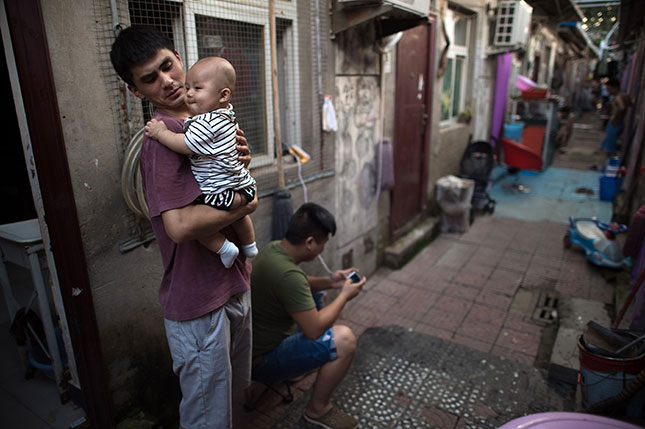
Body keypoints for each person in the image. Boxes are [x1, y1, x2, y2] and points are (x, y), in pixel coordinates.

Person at [110, 25, 256, 429]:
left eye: (167, 66)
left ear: (177, 55)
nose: (169, 81)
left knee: (232, 401)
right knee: (208, 417)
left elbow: (232, 181)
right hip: (198, 303)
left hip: (233, 281)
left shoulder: (210, 119)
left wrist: (240, 169)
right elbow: (178, 226)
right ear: (137, 92)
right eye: (150, 79)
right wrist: (250, 200)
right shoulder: (162, 141)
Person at [250, 203, 366, 429]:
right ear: (310, 243)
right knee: (345, 340)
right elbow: (314, 330)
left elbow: (299, 284)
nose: (323, 248)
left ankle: (295, 368)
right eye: (323, 243)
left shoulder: (274, 249)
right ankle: (318, 409)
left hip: (251, 346)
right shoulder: (289, 275)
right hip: (262, 362)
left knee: (316, 293)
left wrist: (331, 281)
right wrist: (344, 295)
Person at [144, 57, 257, 268]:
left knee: (201, 223)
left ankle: (223, 247)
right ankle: (250, 244)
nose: (189, 94)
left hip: (221, 193)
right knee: (240, 217)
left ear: (223, 94)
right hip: (243, 186)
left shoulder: (204, 123)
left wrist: (161, 133)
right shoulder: (227, 115)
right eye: (188, 88)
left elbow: (186, 144)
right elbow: (179, 228)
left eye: (197, 88)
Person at [600, 78, 632, 156]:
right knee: (609, 143)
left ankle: (610, 161)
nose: (608, 91)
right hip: (618, 123)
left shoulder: (618, 97)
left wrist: (615, 117)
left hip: (615, 123)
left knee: (610, 146)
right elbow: (629, 104)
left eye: (609, 89)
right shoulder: (624, 95)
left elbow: (622, 108)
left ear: (615, 87)